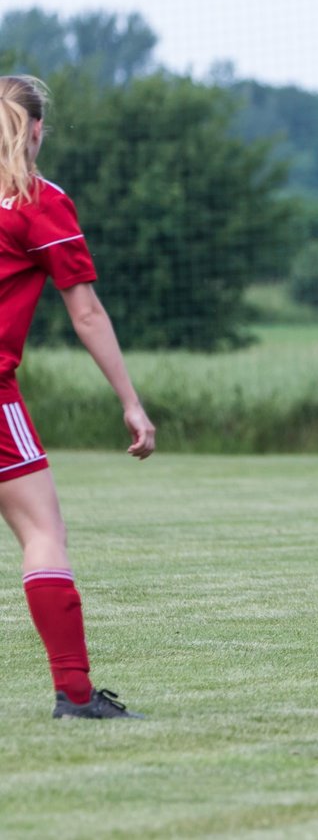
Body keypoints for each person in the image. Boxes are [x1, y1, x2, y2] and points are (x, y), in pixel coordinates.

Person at [0, 75, 155, 718]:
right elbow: (86, 314)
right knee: (43, 531)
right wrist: (132, 402)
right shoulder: (39, 201)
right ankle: (75, 693)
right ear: (37, 130)